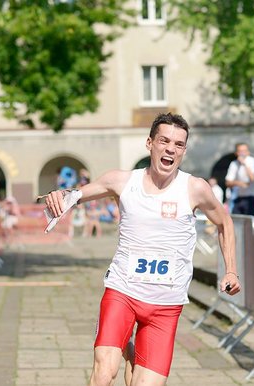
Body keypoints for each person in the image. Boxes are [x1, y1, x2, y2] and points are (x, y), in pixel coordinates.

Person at [43, 113, 239, 386]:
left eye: (179, 144)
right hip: (123, 291)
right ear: (150, 143)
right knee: (104, 373)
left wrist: (231, 270)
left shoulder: (194, 188)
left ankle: (131, 349)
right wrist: (61, 196)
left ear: (183, 150)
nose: (171, 148)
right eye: (164, 141)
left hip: (165, 305)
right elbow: (76, 195)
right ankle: (123, 342)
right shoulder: (122, 181)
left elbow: (224, 221)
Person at [225, 142, 254, 215]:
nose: (242, 153)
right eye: (240, 151)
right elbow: (228, 182)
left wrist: (244, 164)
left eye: (244, 151)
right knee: (236, 220)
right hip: (239, 197)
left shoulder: (253, 162)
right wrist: (239, 183)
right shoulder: (234, 164)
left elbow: (252, 178)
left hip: (252, 197)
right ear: (236, 153)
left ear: (248, 152)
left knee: (248, 222)